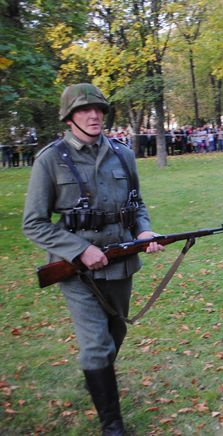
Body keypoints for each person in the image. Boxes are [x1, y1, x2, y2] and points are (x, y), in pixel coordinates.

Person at [22, 83, 164, 434]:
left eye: (99, 109)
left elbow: (137, 204)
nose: (94, 115)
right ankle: (112, 425)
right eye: (85, 110)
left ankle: (97, 378)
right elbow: (34, 222)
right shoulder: (51, 160)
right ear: (69, 118)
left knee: (115, 332)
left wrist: (145, 231)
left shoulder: (122, 154)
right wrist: (79, 249)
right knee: (97, 345)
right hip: (77, 271)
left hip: (121, 262)